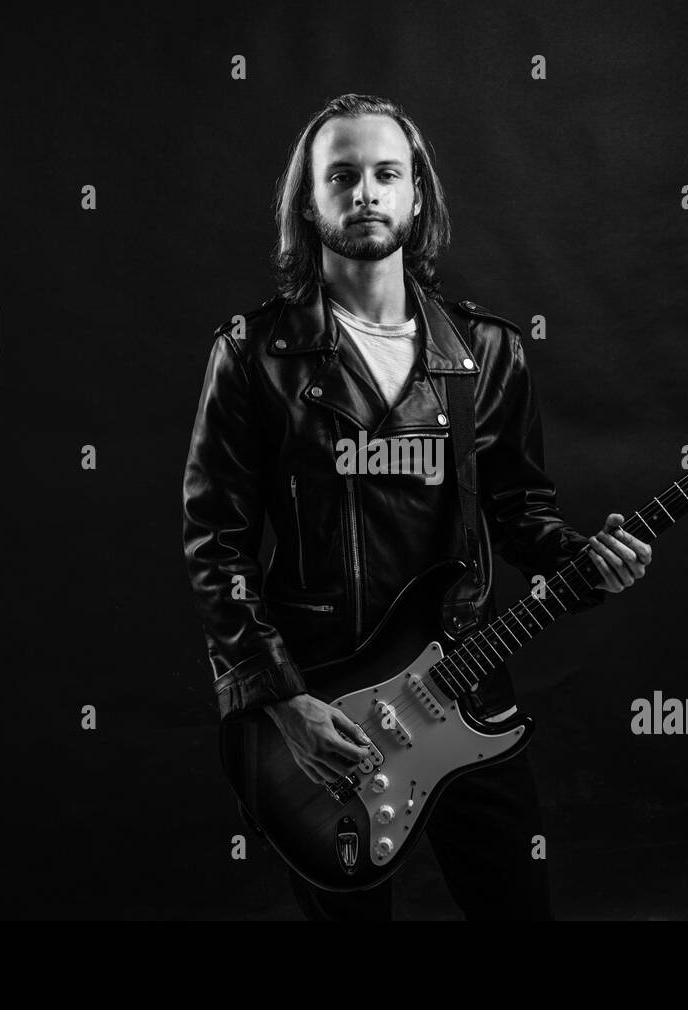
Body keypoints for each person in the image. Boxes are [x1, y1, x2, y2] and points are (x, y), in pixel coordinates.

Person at [182, 93, 653, 920]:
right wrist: (283, 703)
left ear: (416, 195)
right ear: (309, 201)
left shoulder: (487, 352)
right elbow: (214, 548)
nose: (366, 191)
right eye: (343, 175)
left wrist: (587, 558)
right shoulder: (253, 357)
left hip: (469, 685)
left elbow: (520, 513)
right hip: (323, 704)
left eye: (385, 173)